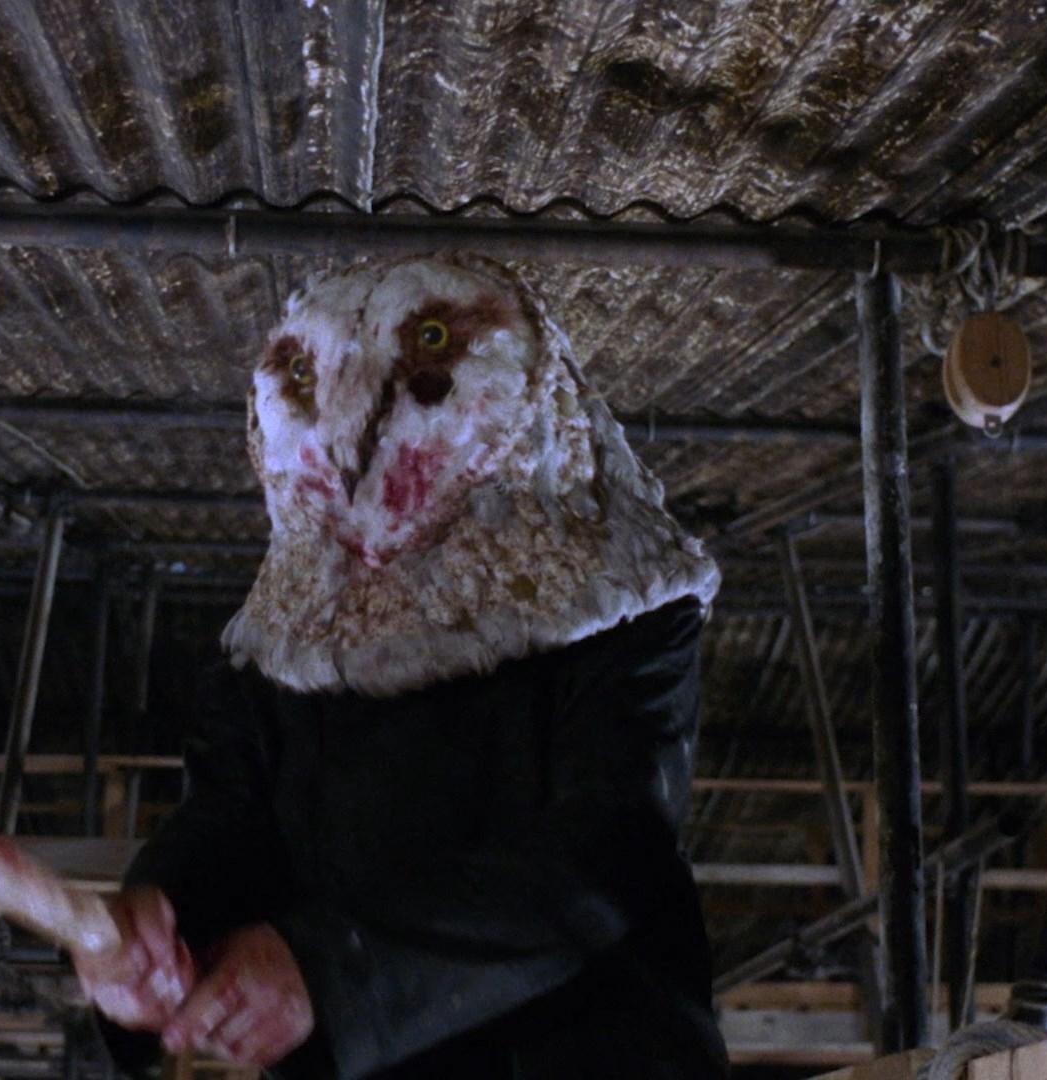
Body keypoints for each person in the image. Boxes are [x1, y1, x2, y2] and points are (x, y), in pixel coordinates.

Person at [78, 256, 728, 1079]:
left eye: (433, 339)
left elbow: (602, 860)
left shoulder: (619, 606)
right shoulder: (281, 638)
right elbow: (231, 818)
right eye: (303, 375)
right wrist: (159, 924)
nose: (352, 417)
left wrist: (330, 972)